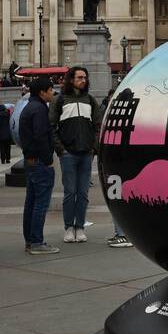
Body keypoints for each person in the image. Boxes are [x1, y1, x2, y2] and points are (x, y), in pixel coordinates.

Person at [50, 66, 103, 244]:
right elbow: (51, 127)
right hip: (68, 154)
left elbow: (98, 126)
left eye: (85, 77)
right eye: (80, 77)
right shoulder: (60, 100)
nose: (83, 80)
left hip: (86, 154)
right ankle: (68, 228)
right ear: (71, 79)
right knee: (69, 193)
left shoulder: (90, 100)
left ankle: (79, 227)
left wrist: (93, 149)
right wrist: (61, 150)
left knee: (83, 193)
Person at [19, 76, 61, 255]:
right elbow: (41, 136)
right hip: (40, 162)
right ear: (42, 92)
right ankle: (37, 242)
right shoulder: (39, 109)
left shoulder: (30, 107)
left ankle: (30, 240)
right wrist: (48, 160)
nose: (53, 93)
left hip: (30, 161)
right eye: (51, 90)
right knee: (40, 204)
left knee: (31, 202)